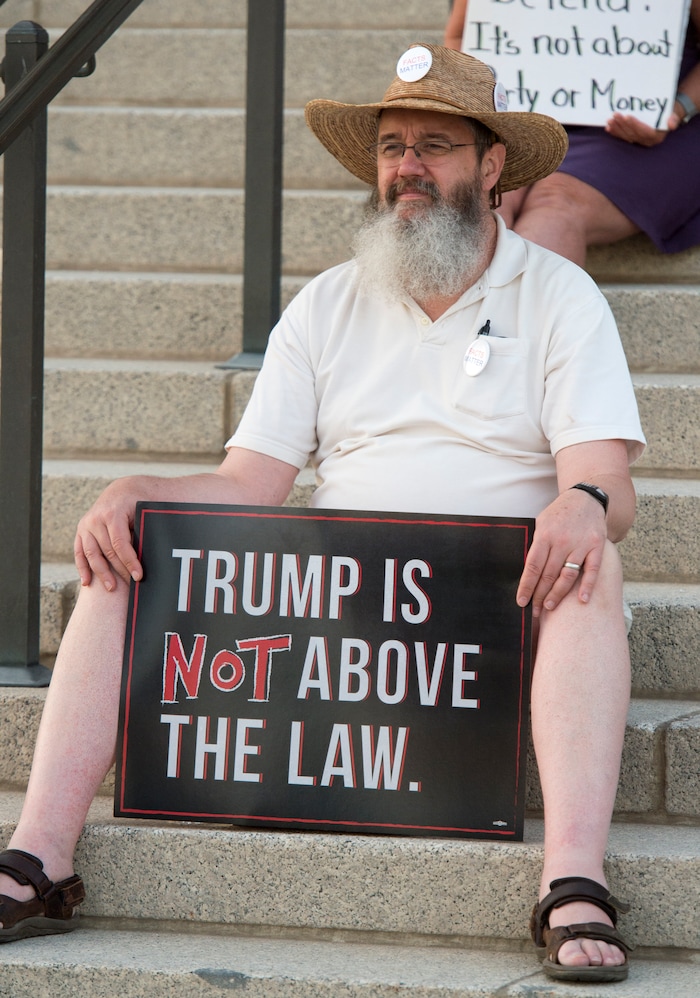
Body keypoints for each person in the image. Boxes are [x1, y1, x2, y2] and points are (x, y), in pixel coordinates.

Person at [0, 43, 646, 984]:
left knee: (594, 560)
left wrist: (583, 505)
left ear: (492, 164)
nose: (408, 167)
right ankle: (39, 857)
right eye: (392, 146)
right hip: (340, 613)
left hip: (499, 616)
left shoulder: (561, 297)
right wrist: (135, 494)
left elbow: (604, 487)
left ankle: (574, 879)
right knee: (125, 548)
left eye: (435, 144)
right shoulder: (326, 304)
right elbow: (249, 489)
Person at [445, 0, 700, 266]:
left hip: (647, 128)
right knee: (488, 198)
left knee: (558, 204)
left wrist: (676, 109)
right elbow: (460, 35)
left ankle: (518, 305)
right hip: (519, 117)